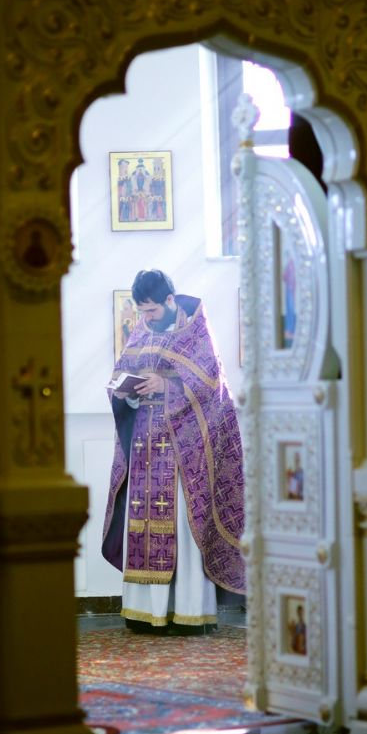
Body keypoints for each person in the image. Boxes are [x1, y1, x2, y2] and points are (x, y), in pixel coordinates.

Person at [102, 268, 245, 634]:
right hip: (143, 445)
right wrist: (124, 392)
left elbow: (211, 385)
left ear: (169, 300)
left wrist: (165, 385)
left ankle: (188, 611)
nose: (146, 318)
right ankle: (145, 612)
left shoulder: (195, 330)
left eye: (150, 310)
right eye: (141, 311)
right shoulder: (142, 329)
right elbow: (121, 374)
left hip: (183, 449)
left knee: (182, 525)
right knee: (140, 526)